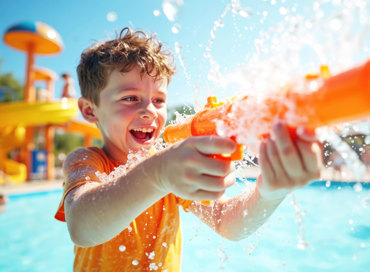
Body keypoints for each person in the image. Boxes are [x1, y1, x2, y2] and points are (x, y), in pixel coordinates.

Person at [54, 27, 322, 271]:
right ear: (90, 110)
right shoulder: (89, 161)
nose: (149, 111)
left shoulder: (170, 166)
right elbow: (82, 226)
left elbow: (226, 221)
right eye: (130, 98)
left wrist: (270, 192)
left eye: (159, 100)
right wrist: (157, 175)